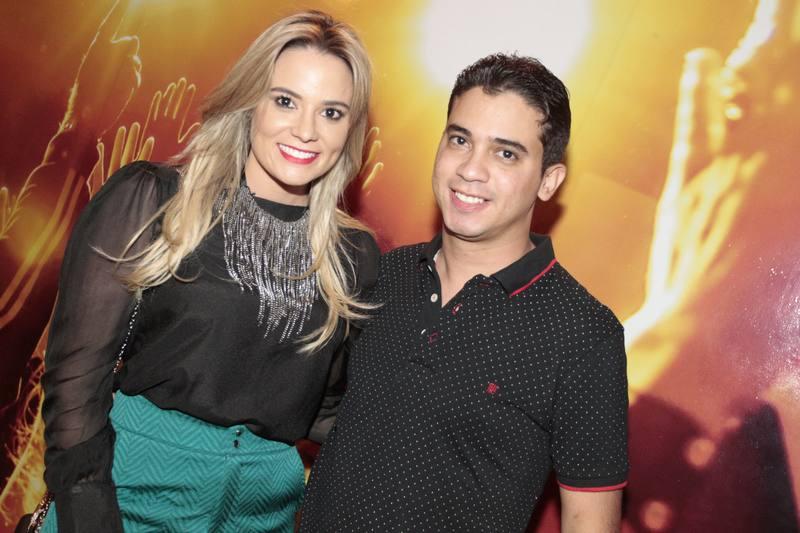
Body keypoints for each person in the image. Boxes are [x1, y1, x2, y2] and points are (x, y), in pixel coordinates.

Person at [39, 10, 377, 533]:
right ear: (250, 101)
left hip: (262, 515)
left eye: (331, 112)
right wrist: (88, 513)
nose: (306, 130)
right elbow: (75, 379)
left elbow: (326, 409)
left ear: (349, 129)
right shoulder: (154, 201)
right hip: (128, 497)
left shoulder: (352, 255)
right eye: (285, 101)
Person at [300, 54, 629, 532]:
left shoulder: (583, 333)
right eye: (460, 140)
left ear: (548, 181)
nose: (471, 170)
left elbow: (589, 521)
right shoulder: (381, 273)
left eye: (506, 153)